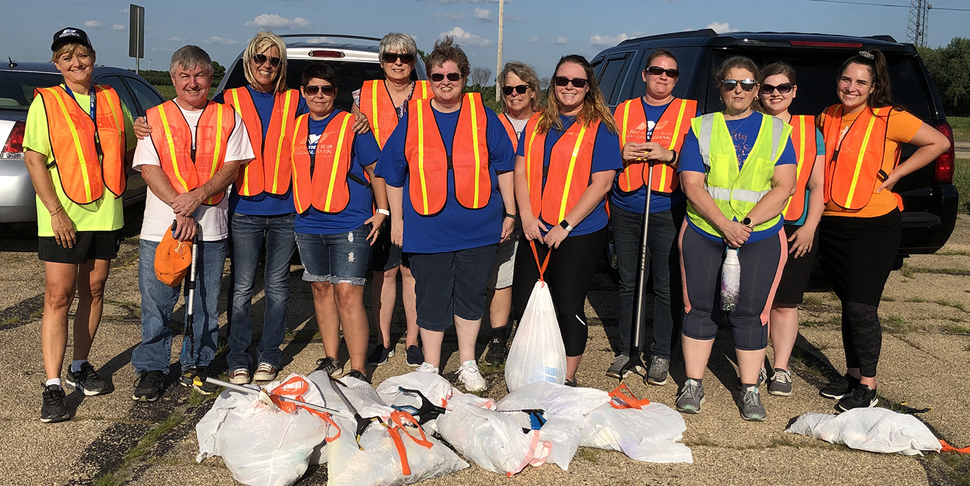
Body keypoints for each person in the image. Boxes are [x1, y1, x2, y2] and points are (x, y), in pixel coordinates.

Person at [376, 37, 516, 392]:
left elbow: (504, 167)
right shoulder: (413, 117)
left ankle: (468, 362)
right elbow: (392, 172)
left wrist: (511, 212)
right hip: (426, 229)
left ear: (465, 77)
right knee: (431, 297)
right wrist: (398, 221)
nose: (445, 82)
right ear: (430, 80)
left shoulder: (484, 115)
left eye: (453, 76)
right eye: (438, 76)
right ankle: (431, 364)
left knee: (471, 296)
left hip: (479, 227)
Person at [816, 50, 949, 411]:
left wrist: (897, 175)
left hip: (873, 224)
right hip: (832, 220)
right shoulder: (828, 115)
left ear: (874, 86)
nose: (852, 87)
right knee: (848, 305)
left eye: (861, 82)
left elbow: (939, 143)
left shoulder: (890, 117)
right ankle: (852, 375)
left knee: (862, 307)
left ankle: (869, 388)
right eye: (847, 79)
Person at [24, 27, 136, 423]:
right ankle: (52, 385)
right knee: (58, 295)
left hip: (106, 210)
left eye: (81, 54)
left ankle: (80, 366)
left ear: (93, 55)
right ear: (57, 63)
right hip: (63, 215)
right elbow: (34, 159)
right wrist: (55, 211)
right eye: (66, 57)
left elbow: (127, 143)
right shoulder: (47, 101)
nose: (76, 62)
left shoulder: (110, 97)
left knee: (95, 287)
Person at [676, 56, 796, 421]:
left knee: (751, 313)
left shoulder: (777, 132)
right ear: (721, 87)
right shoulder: (702, 127)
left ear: (756, 89)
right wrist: (723, 224)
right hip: (705, 230)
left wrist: (745, 222)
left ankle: (749, 389)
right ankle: (693, 383)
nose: (738, 91)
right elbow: (691, 184)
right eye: (731, 84)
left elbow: (784, 185)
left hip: (758, 235)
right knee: (698, 308)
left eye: (746, 84)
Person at [131, 45, 254, 402]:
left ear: (210, 77)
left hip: (211, 227)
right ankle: (152, 367)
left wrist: (197, 197)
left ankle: (197, 362)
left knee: (204, 301)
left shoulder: (228, 116)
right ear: (173, 79)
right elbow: (149, 168)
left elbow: (232, 166)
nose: (192, 82)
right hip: (161, 227)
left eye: (199, 75)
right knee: (157, 301)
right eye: (184, 76)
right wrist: (180, 208)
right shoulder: (153, 118)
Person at [512, 54, 621, 387]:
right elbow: (520, 170)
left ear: (588, 87)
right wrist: (527, 215)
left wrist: (567, 225)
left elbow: (602, 183)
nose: (569, 87)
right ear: (552, 84)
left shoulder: (600, 127)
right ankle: (534, 367)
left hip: (579, 232)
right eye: (562, 81)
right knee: (524, 302)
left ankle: (565, 377)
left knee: (567, 304)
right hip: (536, 227)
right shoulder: (536, 122)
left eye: (577, 82)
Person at [218, 32, 307, 386]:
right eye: (260, 58)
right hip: (244, 207)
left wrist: (358, 120)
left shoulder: (297, 100)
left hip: (287, 207)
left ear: (281, 65)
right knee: (241, 287)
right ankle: (238, 356)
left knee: (278, 286)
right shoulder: (230, 99)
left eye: (274, 60)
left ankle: (269, 355)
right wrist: (146, 125)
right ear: (248, 61)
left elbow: (327, 123)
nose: (266, 66)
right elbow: (195, 125)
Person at [293, 63, 388, 382]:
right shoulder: (294, 126)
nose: (320, 95)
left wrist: (382, 211)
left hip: (349, 222)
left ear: (336, 92)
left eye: (327, 89)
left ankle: (359, 368)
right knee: (321, 289)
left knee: (348, 294)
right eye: (313, 89)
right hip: (308, 222)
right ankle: (331, 358)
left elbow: (375, 170)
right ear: (303, 92)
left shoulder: (353, 125)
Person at [608, 49, 698, 385]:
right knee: (629, 282)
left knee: (665, 284)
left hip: (666, 205)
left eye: (670, 73)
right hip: (626, 204)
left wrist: (669, 154)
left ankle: (661, 352)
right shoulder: (623, 109)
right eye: (656, 70)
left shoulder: (690, 111)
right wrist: (621, 153)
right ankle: (626, 349)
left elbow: (697, 158)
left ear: (677, 78)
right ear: (645, 74)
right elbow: (604, 152)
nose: (663, 76)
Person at [352, 33, 431, 368]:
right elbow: (355, 138)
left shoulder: (429, 91)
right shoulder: (362, 94)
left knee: (412, 273)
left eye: (406, 57)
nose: (398, 63)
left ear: (415, 60)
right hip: (379, 196)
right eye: (391, 57)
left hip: (422, 194)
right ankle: (383, 341)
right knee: (383, 272)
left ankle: (413, 340)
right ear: (381, 60)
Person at [757, 63, 825, 397]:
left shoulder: (811, 131)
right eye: (768, 88)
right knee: (753, 302)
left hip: (795, 227)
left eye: (783, 88)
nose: (775, 94)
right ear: (758, 90)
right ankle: (752, 364)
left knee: (785, 303)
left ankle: (780, 368)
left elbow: (817, 185)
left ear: (794, 91)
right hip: (753, 227)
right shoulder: (744, 124)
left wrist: (810, 226)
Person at [482, 61, 541, 368]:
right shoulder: (491, 122)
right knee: (500, 279)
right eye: (508, 89)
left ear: (533, 90)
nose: (515, 95)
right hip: (502, 213)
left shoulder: (549, 123)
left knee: (537, 281)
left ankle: (533, 336)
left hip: (540, 213)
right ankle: (497, 338)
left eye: (521, 88)